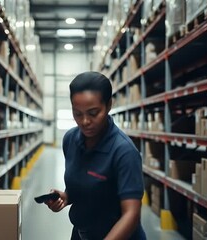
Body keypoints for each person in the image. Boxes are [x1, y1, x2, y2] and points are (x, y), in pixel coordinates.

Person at [45, 71, 146, 240]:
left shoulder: (124, 152)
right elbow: (85, 185)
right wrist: (65, 197)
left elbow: (131, 215)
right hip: (81, 234)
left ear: (109, 105)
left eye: (93, 113)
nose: (85, 121)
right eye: (77, 113)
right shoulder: (70, 139)